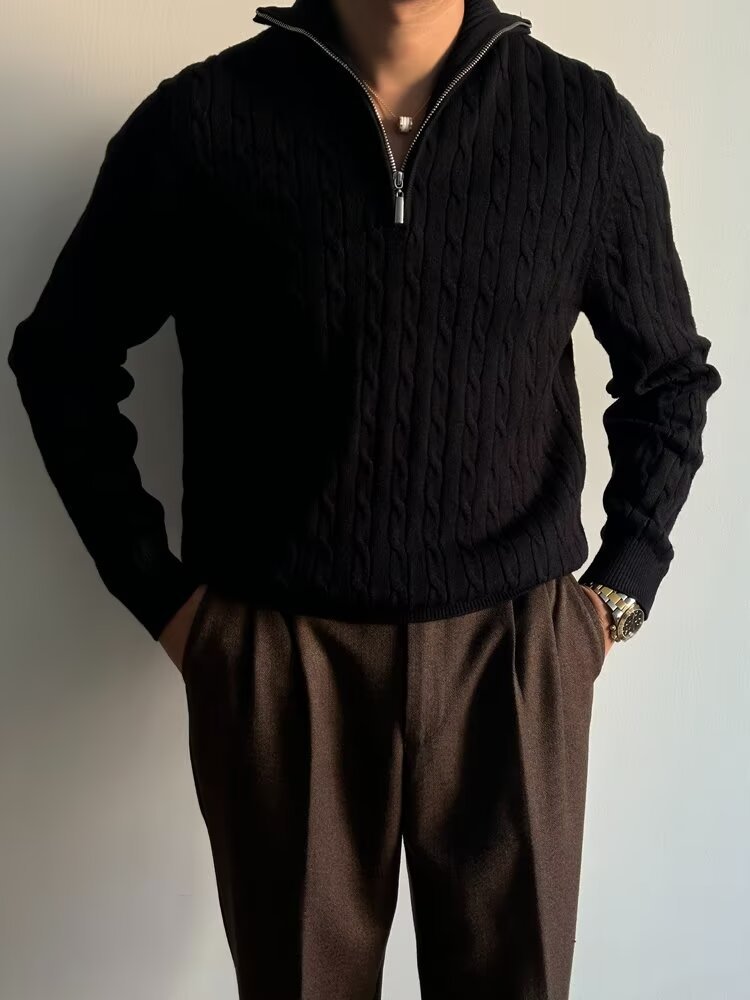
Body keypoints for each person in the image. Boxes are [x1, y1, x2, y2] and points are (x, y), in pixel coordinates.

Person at [6, 0, 722, 996]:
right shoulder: (201, 123)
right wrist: (165, 600)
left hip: (514, 658)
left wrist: (617, 594)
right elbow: (63, 358)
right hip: (280, 659)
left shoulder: (584, 125)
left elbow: (667, 380)